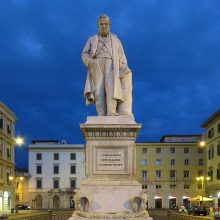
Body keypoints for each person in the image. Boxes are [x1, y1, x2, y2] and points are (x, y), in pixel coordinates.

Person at [82, 15, 132, 116]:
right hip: (96, 64)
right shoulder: (92, 39)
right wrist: (89, 61)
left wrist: (123, 66)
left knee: (112, 87)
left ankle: (111, 112)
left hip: (111, 65)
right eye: (101, 24)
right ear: (98, 25)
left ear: (109, 25)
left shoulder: (116, 40)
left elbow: (122, 56)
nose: (104, 26)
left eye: (106, 24)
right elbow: (84, 53)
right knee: (98, 90)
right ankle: (101, 114)